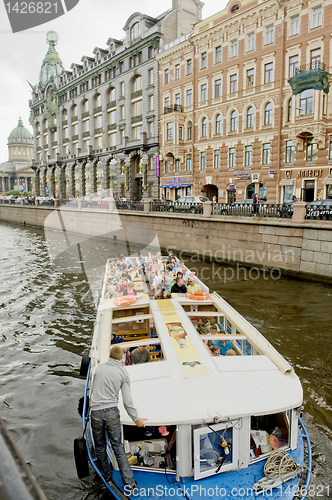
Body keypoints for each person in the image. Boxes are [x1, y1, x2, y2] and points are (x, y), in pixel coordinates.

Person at [90, 345, 146, 491]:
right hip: (111, 412)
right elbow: (127, 401)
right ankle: (129, 483)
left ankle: (105, 476)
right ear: (122, 357)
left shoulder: (99, 369)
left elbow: (93, 390)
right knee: (118, 448)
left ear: (109, 355)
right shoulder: (122, 372)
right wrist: (136, 418)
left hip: (95, 411)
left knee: (100, 446)